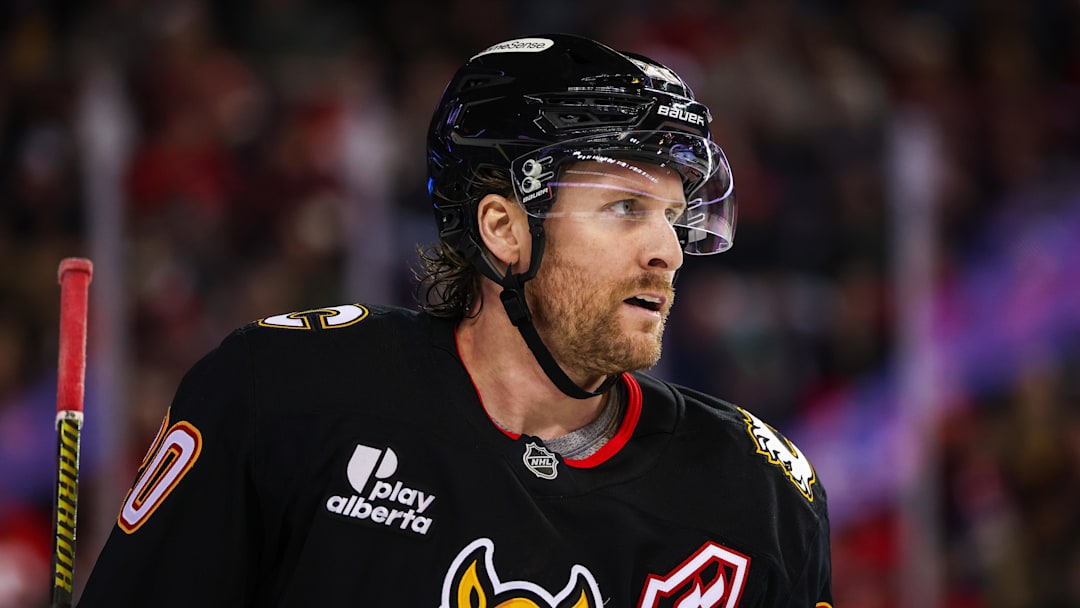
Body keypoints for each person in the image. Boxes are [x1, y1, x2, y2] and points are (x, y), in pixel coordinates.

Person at [77, 34, 832, 607]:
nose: (667, 251)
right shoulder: (281, 396)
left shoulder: (761, 498)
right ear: (505, 229)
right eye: (625, 209)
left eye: (673, 216)